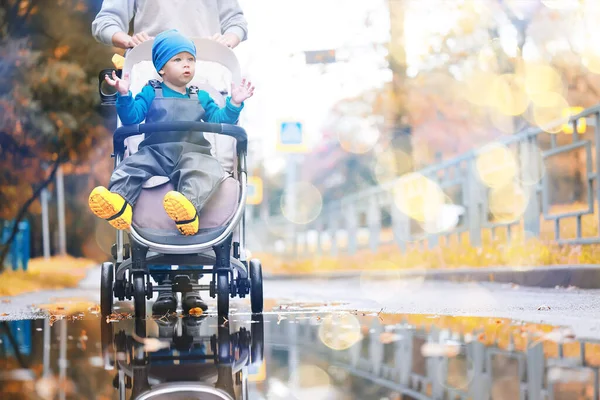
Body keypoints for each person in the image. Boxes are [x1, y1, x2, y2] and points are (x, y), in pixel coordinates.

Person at [89, 29, 254, 314]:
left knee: (203, 170)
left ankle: (187, 207)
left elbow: (219, 119)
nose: (187, 64)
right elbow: (131, 118)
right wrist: (125, 96)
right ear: (161, 68)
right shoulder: (149, 91)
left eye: (190, 59)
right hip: (156, 150)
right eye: (178, 59)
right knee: (132, 166)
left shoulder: (201, 94)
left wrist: (234, 103)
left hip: (193, 151)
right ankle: (118, 204)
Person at [91, 0, 248, 50]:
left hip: (208, 73)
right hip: (150, 76)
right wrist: (129, 41)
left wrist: (226, 41)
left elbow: (235, 21)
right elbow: (106, 21)